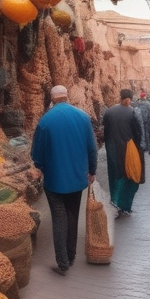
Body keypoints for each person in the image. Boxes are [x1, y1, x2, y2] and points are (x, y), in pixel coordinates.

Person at [30, 85, 97, 276]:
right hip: (77, 178)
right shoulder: (82, 117)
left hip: (54, 180)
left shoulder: (46, 120)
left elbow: (37, 154)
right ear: (67, 97)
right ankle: (72, 254)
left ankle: (62, 263)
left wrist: (41, 166)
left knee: (59, 218)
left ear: (52, 99)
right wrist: (92, 170)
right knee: (72, 215)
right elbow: (92, 148)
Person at [102, 88, 144, 217]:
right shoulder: (133, 112)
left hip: (112, 149)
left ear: (119, 97)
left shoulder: (108, 112)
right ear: (130, 98)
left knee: (114, 175)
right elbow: (138, 134)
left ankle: (115, 201)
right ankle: (125, 206)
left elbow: (105, 132)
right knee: (129, 177)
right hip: (128, 149)